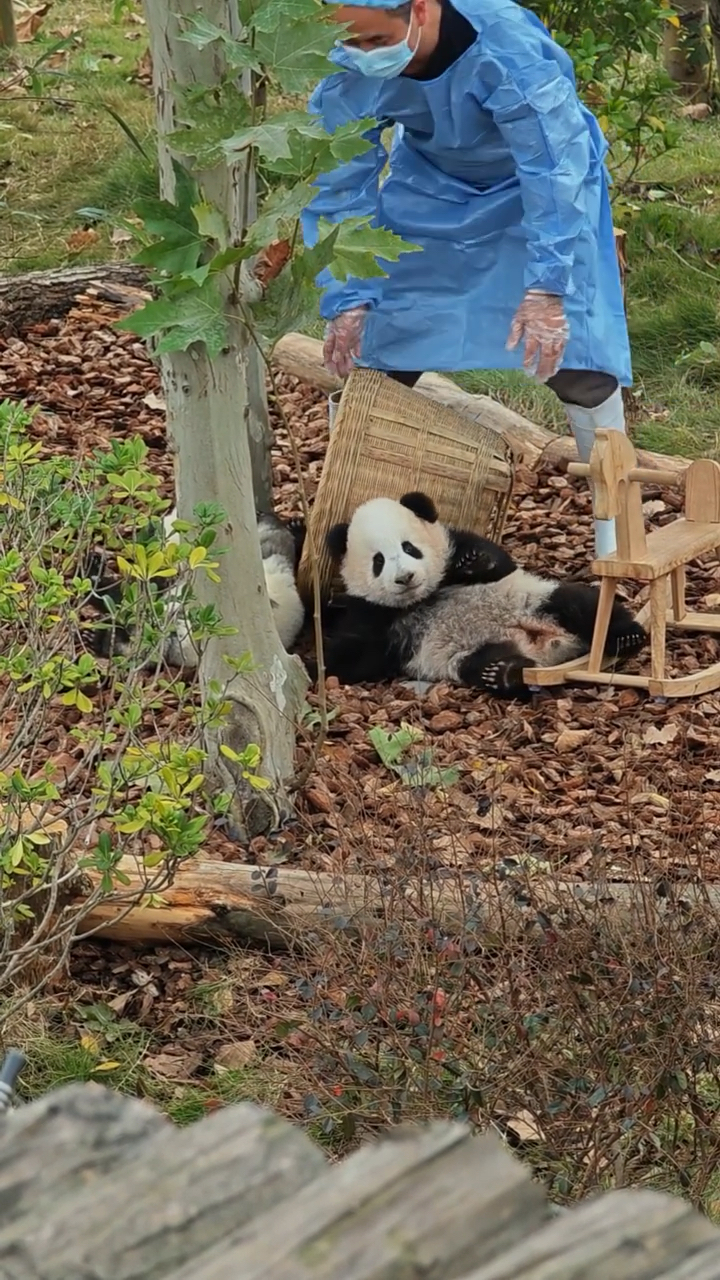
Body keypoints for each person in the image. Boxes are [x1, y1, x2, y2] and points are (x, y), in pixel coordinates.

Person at [300, 0, 633, 558]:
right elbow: (337, 178)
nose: (363, 56)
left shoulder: (506, 47)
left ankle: (618, 544)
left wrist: (547, 285)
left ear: (423, 11)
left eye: (377, 41)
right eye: (350, 44)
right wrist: (348, 293)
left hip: (538, 197)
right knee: (380, 350)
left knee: (573, 358)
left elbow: (554, 164)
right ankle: (354, 538)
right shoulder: (350, 55)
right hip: (431, 188)